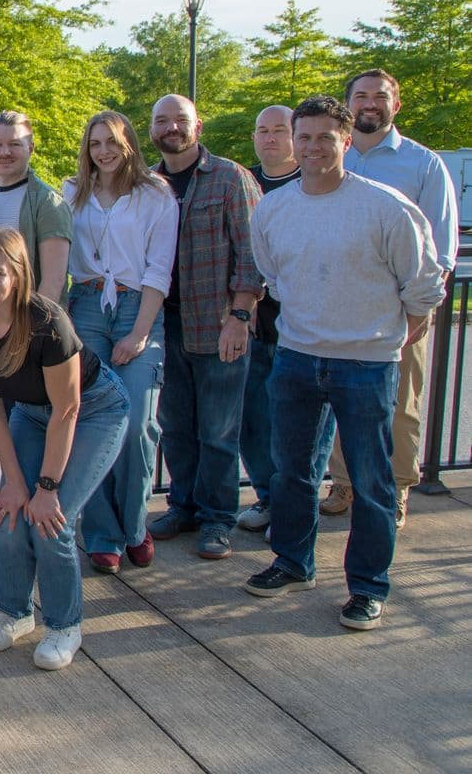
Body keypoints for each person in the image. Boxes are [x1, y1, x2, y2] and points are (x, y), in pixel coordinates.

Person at [246, 96, 443, 631]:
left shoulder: (386, 208)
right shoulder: (273, 210)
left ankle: (368, 587)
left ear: (346, 142)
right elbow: (274, 277)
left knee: (372, 480)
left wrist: (392, 338)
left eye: (325, 138)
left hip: (365, 364)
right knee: (292, 472)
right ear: (293, 142)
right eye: (304, 137)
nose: (312, 147)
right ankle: (293, 562)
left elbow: (424, 287)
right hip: (296, 358)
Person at [0, 228, 131, 672]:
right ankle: (14, 613)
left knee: (52, 519)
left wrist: (46, 487)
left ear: (18, 275)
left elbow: (67, 411)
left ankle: (64, 625)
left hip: (93, 411)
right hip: (32, 415)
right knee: (11, 513)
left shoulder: (48, 324)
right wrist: (15, 483)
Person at [320, 69, 459, 527]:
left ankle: (396, 487)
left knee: (400, 403)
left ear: (395, 105)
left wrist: (420, 312)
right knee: (339, 400)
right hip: (336, 305)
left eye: (380, 97)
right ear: (348, 105)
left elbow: (441, 247)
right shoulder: (331, 156)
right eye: (360, 96)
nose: (369, 104)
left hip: (399, 309)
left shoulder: (422, 165)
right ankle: (344, 483)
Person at [146, 94, 262, 562]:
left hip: (218, 324)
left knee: (218, 431)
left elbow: (253, 255)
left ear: (198, 127)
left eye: (180, 120)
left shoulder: (231, 178)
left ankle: (218, 519)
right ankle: (183, 507)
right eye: (162, 120)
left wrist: (240, 316)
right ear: (152, 129)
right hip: (163, 324)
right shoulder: (148, 183)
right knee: (175, 426)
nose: (171, 127)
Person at [61, 111, 177, 575]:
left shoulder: (156, 194)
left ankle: (134, 524)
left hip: (137, 308)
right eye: (95, 144)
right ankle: (102, 534)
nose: (104, 151)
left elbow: (159, 268)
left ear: (128, 142)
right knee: (93, 422)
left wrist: (140, 333)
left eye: (112, 141)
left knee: (136, 426)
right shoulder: (73, 192)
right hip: (87, 306)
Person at [236, 105, 303, 533]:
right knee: (252, 420)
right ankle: (268, 497)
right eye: (263, 130)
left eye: (280, 130)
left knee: (298, 426)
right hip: (253, 326)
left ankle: (293, 509)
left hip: (302, 327)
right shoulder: (243, 182)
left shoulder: (311, 183)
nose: (271, 138)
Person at [0, 111, 72, 305]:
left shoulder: (48, 203)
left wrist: (33, 322)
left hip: (28, 317)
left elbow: (53, 282)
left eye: (14, 144)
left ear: (30, 148)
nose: (5, 152)